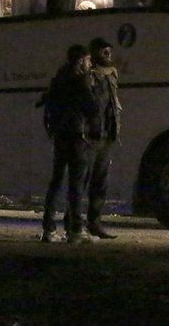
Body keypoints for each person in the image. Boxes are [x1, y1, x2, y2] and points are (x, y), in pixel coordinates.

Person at [41, 44, 98, 244]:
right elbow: (92, 108)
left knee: (56, 182)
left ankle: (48, 230)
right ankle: (75, 230)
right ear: (81, 61)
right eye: (88, 60)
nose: (90, 64)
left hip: (60, 136)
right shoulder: (81, 80)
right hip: (76, 136)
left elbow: (48, 105)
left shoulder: (58, 79)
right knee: (76, 185)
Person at [86, 37, 123, 240]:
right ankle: (74, 225)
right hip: (92, 135)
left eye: (109, 50)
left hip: (107, 133)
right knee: (82, 180)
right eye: (103, 50)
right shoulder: (90, 75)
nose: (108, 53)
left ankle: (94, 223)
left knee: (100, 182)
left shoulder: (111, 73)